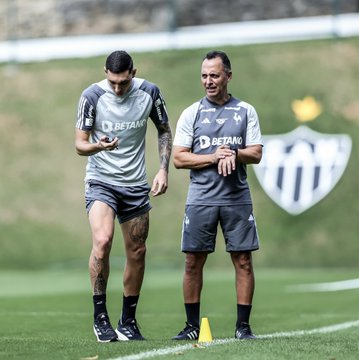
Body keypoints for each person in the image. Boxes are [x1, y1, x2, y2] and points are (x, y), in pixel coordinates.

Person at [75, 50, 172, 342]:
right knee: (102, 242)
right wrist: (98, 147)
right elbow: (80, 144)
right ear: (105, 72)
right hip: (101, 181)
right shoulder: (92, 97)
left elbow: (164, 130)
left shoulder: (149, 93)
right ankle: (100, 317)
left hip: (135, 184)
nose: (118, 88)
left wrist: (163, 170)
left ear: (133, 72)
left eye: (123, 82)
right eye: (113, 81)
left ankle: (128, 321)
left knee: (138, 251)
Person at [172, 50, 262, 340]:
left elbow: (257, 153)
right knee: (192, 261)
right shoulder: (192, 113)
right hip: (201, 198)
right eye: (204, 75)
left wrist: (234, 153)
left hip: (236, 197)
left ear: (228, 76)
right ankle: (191, 327)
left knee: (243, 260)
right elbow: (179, 159)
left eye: (214, 75)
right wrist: (213, 157)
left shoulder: (246, 111)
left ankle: (243, 327)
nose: (208, 81)